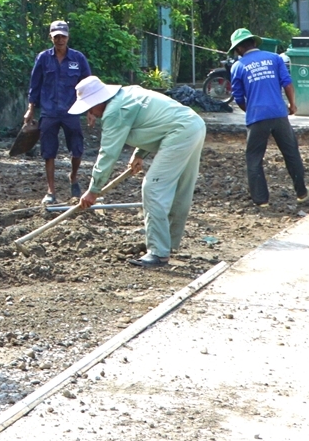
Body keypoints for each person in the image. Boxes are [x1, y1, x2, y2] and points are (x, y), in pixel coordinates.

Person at [70, 75, 206, 269]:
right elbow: (154, 122)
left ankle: (159, 252)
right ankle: (168, 244)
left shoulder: (114, 112)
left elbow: (108, 153)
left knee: (153, 188)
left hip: (180, 132)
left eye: (90, 107)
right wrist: (140, 153)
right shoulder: (128, 93)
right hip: (194, 125)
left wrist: (94, 189)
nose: (91, 113)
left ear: (99, 100)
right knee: (179, 189)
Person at [227, 27, 309, 207]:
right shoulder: (275, 58)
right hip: (279, 114)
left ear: (239, 48)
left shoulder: (238, 67)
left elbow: (239, 97)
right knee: (291, 153)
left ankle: (261, 199)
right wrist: (292, 105)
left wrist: (250, 110)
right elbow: (287, 83)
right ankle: (301, 192)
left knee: (254, 158)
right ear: (254, 42)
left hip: (257, 117)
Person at [24, 20, 92, 205]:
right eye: (56, 37)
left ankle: (74, 177)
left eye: (63, 36)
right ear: (51, 37)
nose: (60, 39)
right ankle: (51, 190)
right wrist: (31, 109)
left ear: (68, 36)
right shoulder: (43, 58)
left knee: (77, 149)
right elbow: (35, 85)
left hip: (73, 111)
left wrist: (91, 110)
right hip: (49, 111)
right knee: (48, 151)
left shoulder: (78, 59)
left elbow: (88, 84)